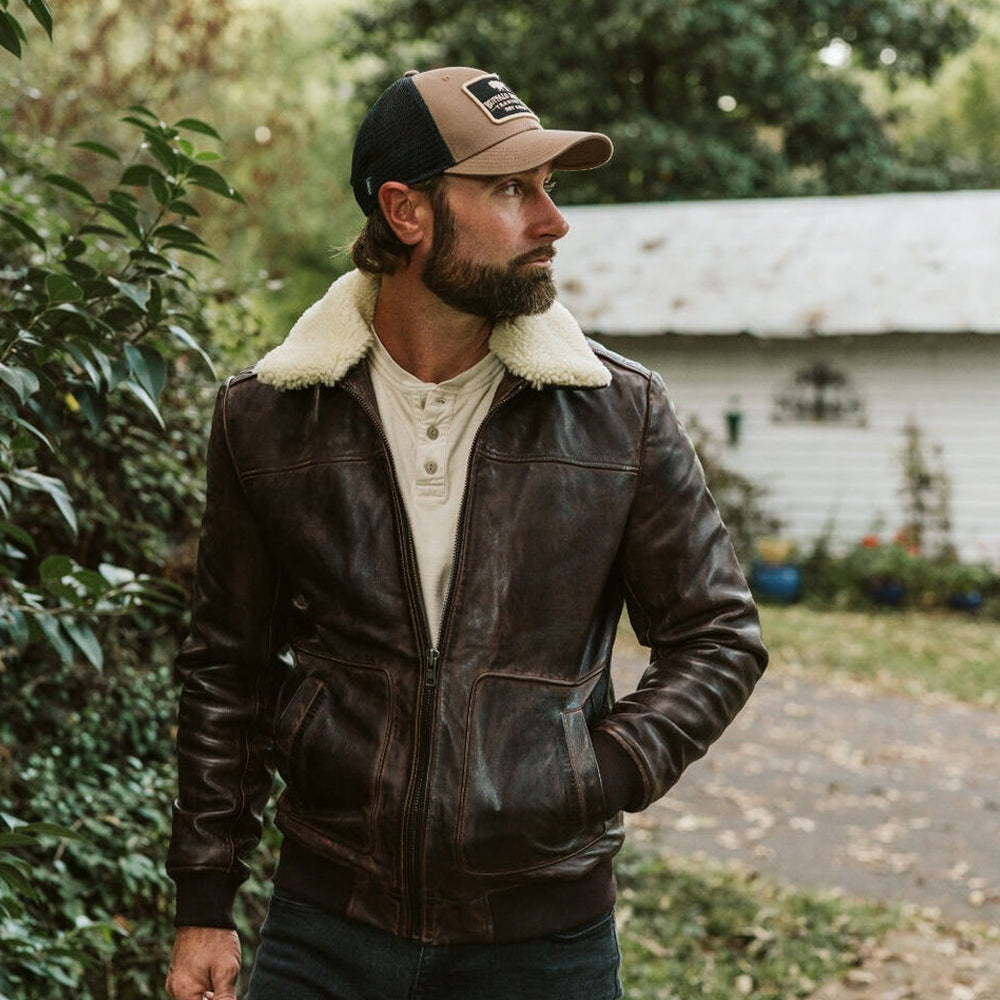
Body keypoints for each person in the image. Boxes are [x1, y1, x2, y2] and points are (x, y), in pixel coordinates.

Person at [164, 66, 768, 1000]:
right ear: (406, 211)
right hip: (326, 929)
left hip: (546, 944)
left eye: (548, 188)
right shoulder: (269, 416)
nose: (552, 222)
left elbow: (719, 635)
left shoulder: (618, 414)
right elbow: (227, 668)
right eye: (511, 189)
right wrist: (205, 900)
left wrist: (595, 771)